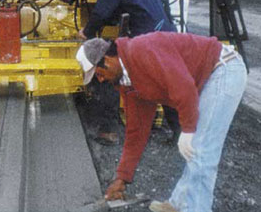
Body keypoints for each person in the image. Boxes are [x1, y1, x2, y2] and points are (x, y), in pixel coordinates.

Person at [76, 33, 247, 212]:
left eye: (98, 74)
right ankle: (178, 205)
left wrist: (188, 130)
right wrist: (122, 177)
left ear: (107, 60)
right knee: (196, 151)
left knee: (202, 152)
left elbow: (183, 85)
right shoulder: (129, 85)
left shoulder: (142, 50)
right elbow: (137, 132)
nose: (101, 80)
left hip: (223, 69)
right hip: (202, 80)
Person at [78, 0, 177, 144]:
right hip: (167, 35)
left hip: (146, 40)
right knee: (164, 81)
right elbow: (158, 2)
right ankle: (180, 134)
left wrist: (87, 32)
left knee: (105, 69)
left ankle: (108, 131)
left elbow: (101, 14)